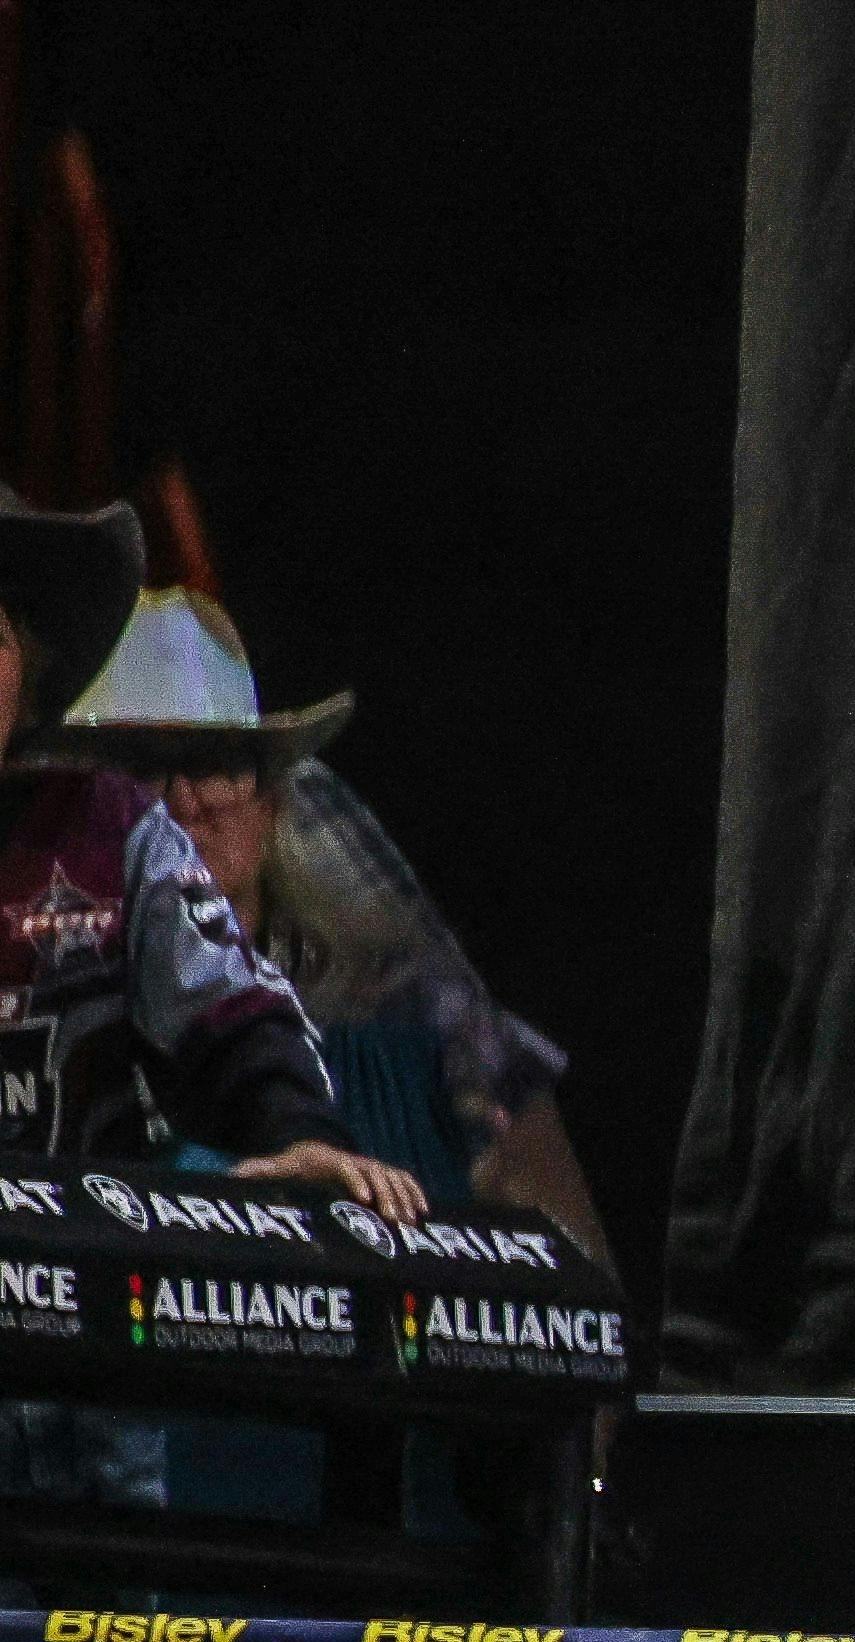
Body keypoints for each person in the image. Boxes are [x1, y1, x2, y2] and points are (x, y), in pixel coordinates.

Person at [49, 592, 581, 1229]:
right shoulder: (58, 1027)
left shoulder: (407, 1026)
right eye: (144, 772)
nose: (183, 803)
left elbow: (566, 1242)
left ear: (271, 799)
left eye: (215, 764)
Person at [0, 501, 407, 1212]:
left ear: (27, 669)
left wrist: (297, 1130)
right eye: (154, 769)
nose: (188, 800)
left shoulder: (107, 828)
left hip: (79, 1263)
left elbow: (228, 1008)